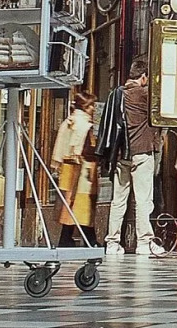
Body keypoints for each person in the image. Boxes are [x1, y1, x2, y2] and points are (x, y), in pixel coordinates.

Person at [104, 59, 166, 257]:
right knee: (143, 200)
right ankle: (144, 242)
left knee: (118, 200)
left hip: (121, 154)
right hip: (142, 153)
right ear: (144, 77)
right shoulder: (145, 94)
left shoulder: (117, 94)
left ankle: (112, 242)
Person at [53, 91, 99, 247]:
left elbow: (60, 145)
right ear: (86, 106)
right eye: (91, 105)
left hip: (67, 168)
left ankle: (66, 237)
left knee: (69, 203)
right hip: (82, 168)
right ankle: (89, 240)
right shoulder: (85, 124)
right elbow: (85, 148)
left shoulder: (68, 121)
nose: (93, 108)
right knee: (84, 204)